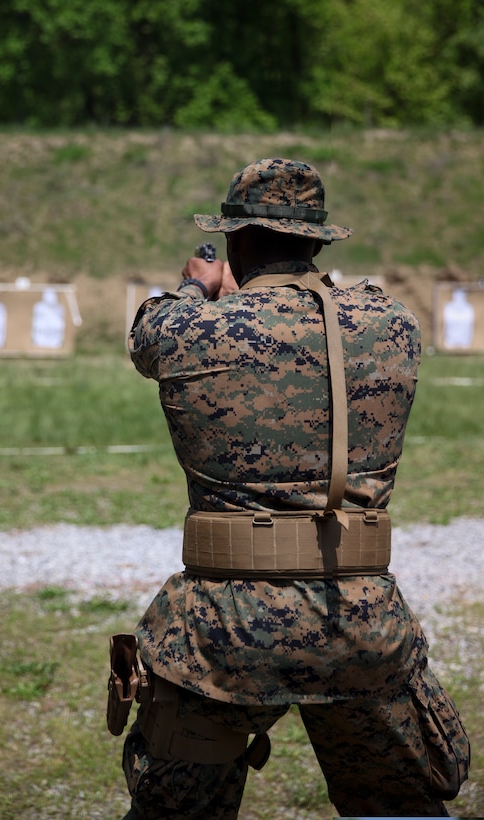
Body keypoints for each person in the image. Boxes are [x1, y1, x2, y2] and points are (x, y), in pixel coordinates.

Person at [123, 158, 470, 818]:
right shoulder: (393, 326)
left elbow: (148, 333)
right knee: (399, 811)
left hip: (222, 630)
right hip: (359, 619)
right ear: (315, 242)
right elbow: (324, 315)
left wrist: (197, 287)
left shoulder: (186, 328)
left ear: (236, 242)